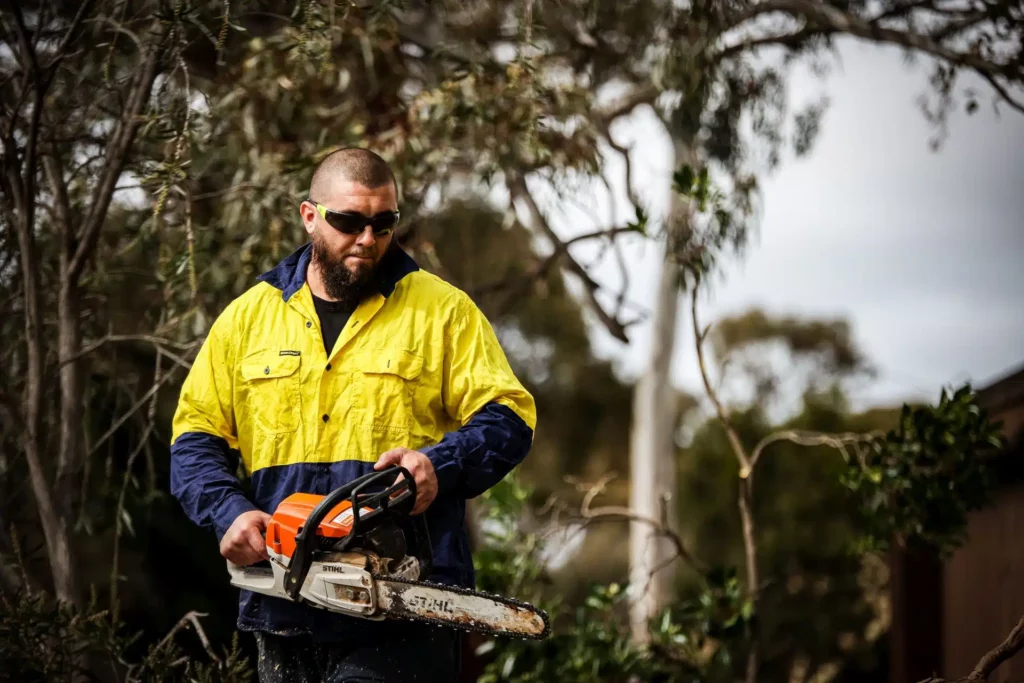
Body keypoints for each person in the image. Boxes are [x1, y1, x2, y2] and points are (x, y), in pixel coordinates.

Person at [169, 148, 537, 683]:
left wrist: (438, 465)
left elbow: (510, 418)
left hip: (403, 606)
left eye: (383, 224)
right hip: (284, 608)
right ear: (310, 215)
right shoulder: (247, 319)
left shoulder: (442, 311)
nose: (368, 239)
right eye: (349, 222)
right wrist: (229, 513)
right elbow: (195, 437)